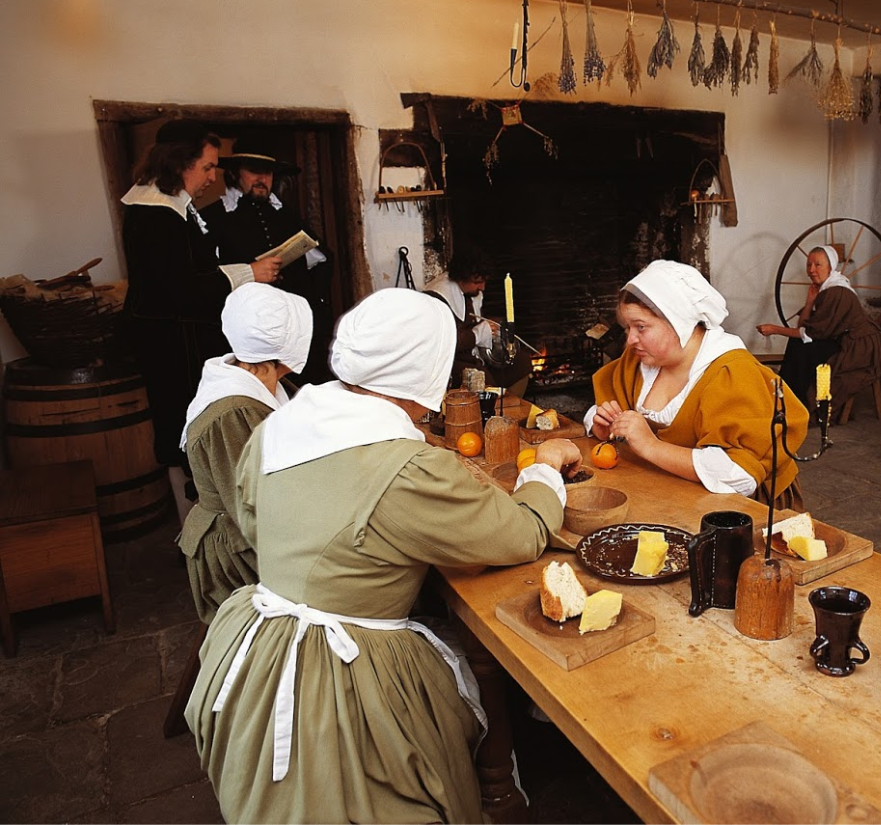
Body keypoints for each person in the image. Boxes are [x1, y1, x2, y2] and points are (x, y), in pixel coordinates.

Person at [185, 288, 581, 825]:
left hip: (257, 639)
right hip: (341, 668)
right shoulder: (407, 469)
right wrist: (546, 469)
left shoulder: (279, 426)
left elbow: (257, 521)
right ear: (428, 375)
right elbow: (520, 533)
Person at [120, 119, 281, 522]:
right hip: (172, 341)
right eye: (208, 166)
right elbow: (183, 288)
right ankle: (196, 525)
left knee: (191, 424)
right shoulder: (154, 214)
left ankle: (209, 515)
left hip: (181, 334)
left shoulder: (172, 208)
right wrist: (249, 273)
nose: (213, 176)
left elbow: (188, 271)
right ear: (179, 163)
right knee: (183, 426)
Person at [587, 260, 809, 508]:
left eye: (641, 327)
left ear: (679, 320)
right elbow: (603, 407)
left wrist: (651, 446)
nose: (630, 340)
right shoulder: (640, 361)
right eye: (628, 327)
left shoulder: (731, 373)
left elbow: (738, 475)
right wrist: (604, 426)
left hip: (741, 511)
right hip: (671, 491)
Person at [177, 283, 313, 624]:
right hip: (236, 551)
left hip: (259, 528)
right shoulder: (232, 412)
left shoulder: (269, 384)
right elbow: (253, 507)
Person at [201, 139, 333, 384]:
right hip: (247, 334)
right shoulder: (212, 217)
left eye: (268, 172)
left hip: (293, 330)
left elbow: (322, 260)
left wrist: (311, 303)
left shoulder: (287, 214)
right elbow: (205, 277)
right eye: (254, 171)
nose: (263, 178)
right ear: (234, 173)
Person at [756, 245, 881, 412]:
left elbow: (808, 334)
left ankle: (794, 402)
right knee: (799, 345)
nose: (811, 270)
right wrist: (809, 302)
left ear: (830, 267)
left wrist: (775, 329)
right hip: (845, 341)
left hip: (860, 349)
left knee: (802, 348)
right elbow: (803, 328)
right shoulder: (826, 290)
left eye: (818, 265)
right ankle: (788, 399)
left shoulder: (836, 292)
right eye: (808, 265)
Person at [423, 246, 531, 395]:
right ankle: (495, 411)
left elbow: (474, 321)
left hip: (474, 355)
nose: (482, 287)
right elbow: (446, 341)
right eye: (477, 282)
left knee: (522, 362)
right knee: (483, 378)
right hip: (451, 362)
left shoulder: (470, 292)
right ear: (462, 276)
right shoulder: (437, 296)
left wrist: (492, 326)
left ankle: (510, 408)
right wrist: (480, 333)